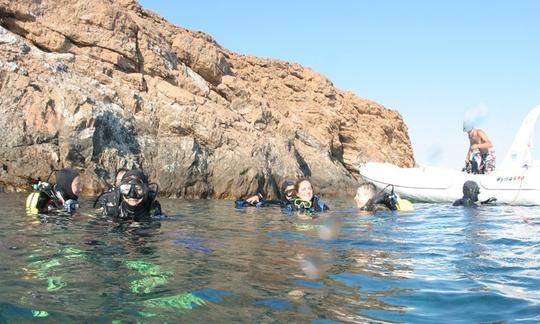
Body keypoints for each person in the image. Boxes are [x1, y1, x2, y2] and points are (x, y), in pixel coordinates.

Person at [95, 169, 162, 222]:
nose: (132, 194)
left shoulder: (152, 206)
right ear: (120, 190)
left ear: (146, 190)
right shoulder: (110, 205)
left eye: (138, 189)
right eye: (126, 189)